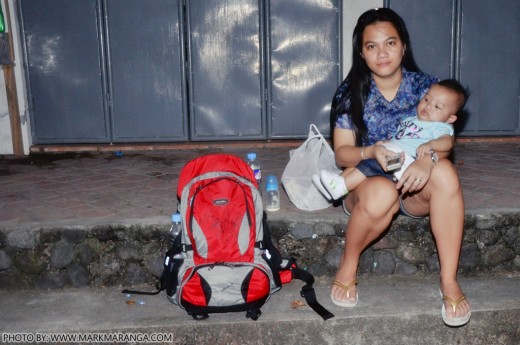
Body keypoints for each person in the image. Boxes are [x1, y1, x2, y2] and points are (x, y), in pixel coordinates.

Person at [326, 8, 471, 327]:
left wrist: (428, 158)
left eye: (390, 43)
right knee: (381, 194)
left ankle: (448, 280)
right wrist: (373, 150)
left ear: (404, 46)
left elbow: (441, 140)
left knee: (445, 172)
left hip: (412, 185)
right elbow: (343, 154)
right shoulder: (351, 94)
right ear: (361, 53)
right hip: (369, 181)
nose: (382, 53)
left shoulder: (427, 88)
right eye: (371, 46)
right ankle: (348, 265)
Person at [313, 79, 468, 200]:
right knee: (365, 161)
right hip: (397, 154)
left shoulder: (440, 127)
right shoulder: (412, 120)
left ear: (450, 118)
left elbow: (448, 143)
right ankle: (335, 183)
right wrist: (388, 143)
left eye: (437, 107)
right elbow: (401, 138)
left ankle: (342, 186)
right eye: (427, 100)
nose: (428, 107)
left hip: (407, 163)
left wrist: (431, 144)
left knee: (372, 165)